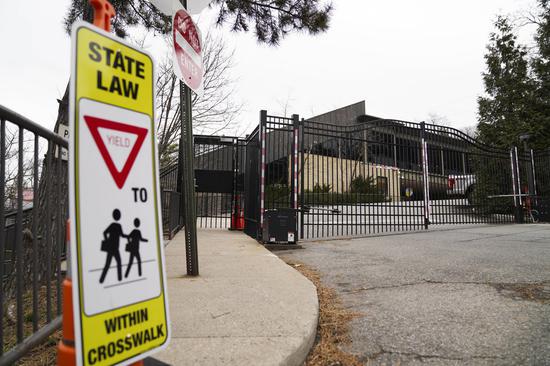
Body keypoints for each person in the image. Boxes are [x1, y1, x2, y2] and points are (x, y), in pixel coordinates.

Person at [99, 209, 127, 284]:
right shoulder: (118, 226)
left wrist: (107, 240)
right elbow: (122, 235)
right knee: (118, 262)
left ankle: (101, 280)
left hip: (111, 247)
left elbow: (105, 233)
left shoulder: (112, 225)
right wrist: (128, 236)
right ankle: (120, 278)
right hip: (115, 248)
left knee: (108, 264)